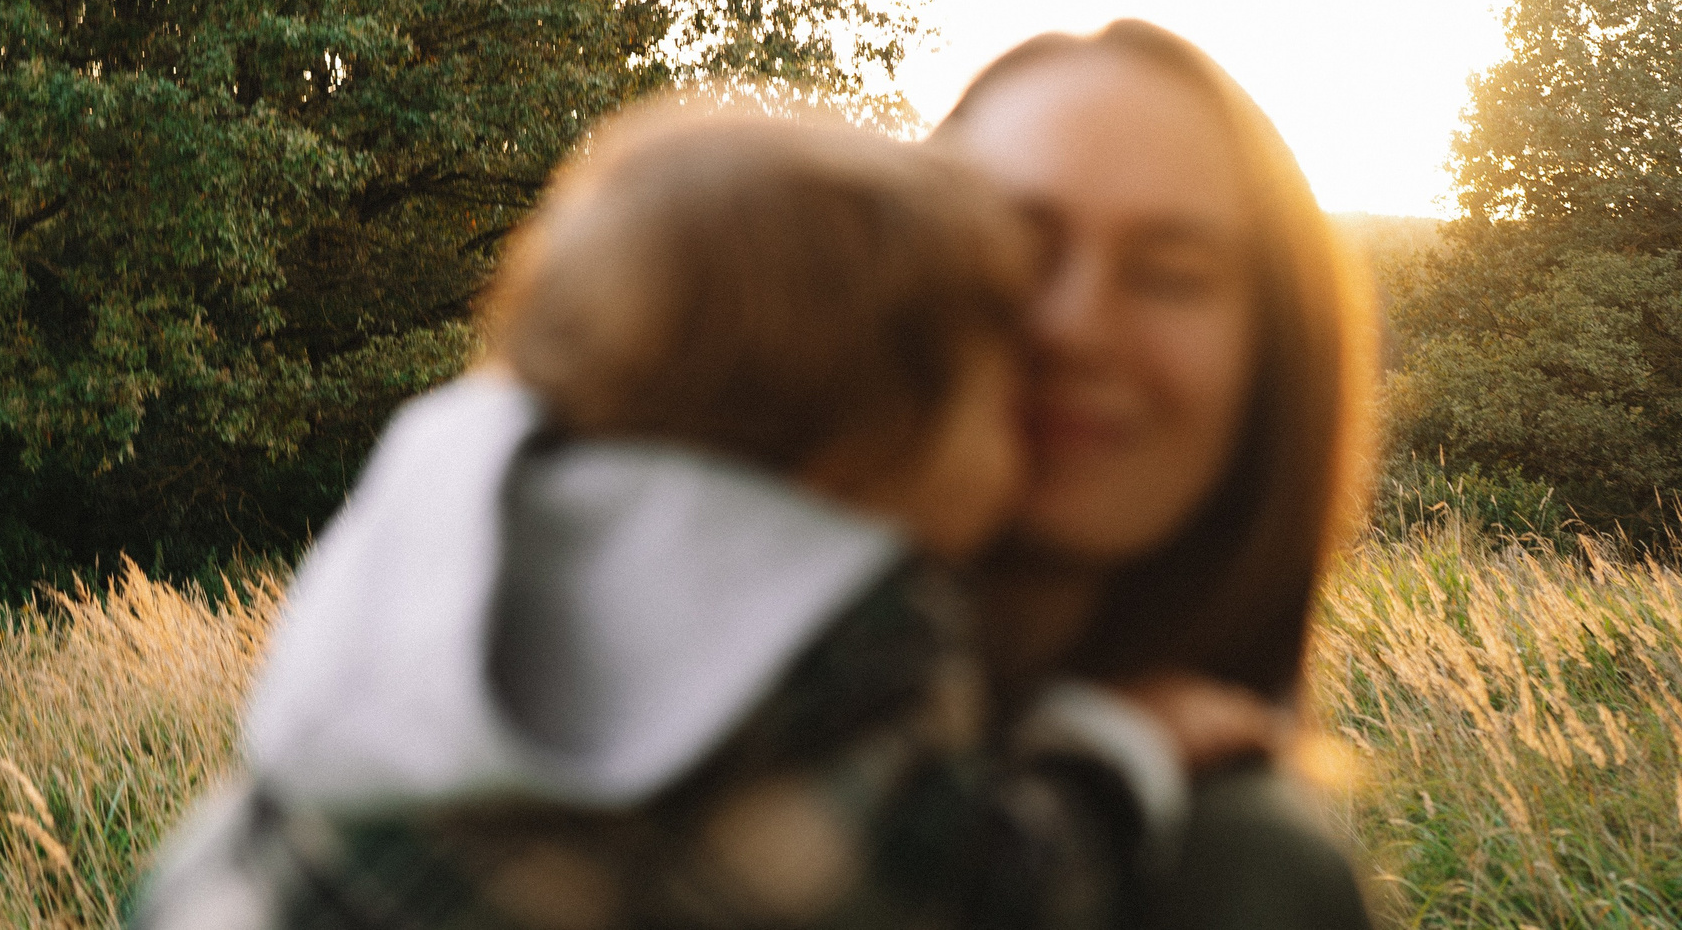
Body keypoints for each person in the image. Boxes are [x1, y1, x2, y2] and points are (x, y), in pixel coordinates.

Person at [134, 97, 1230, 930]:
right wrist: (1117, 745)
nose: (1028, 420)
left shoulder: (449, 551)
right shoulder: (846, 639)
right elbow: (979, 893)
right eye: (999, 394)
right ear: (853, 466)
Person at [932, 21, 1380, 930]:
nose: (1072, 324)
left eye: (1170, 273)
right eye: (1016, 242)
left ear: (1273, 365)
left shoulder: (1238, 872)